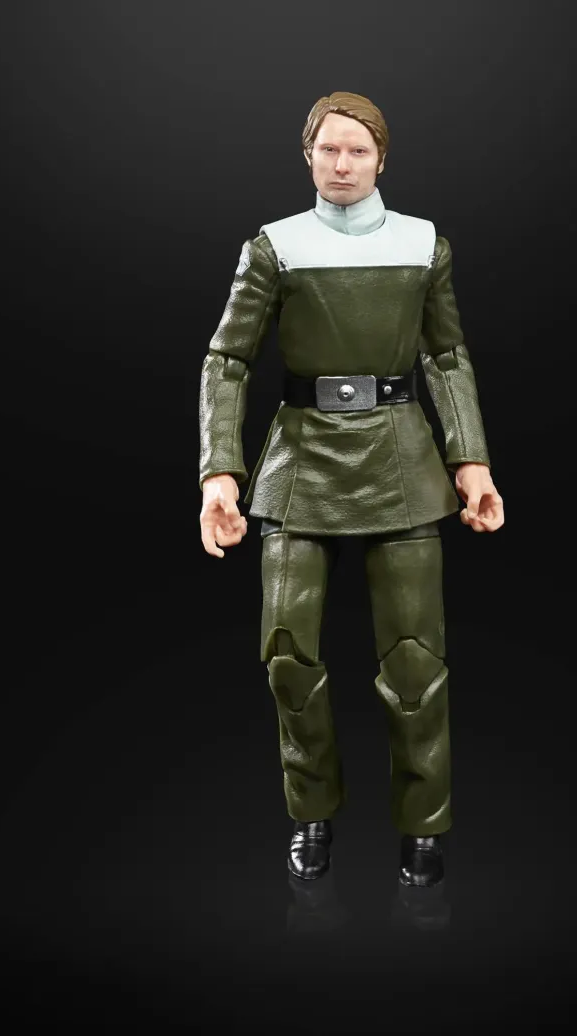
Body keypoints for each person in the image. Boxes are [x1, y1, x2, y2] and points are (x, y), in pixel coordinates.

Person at [198, 91, 504, 887]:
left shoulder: (422, 243)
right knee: (288, 654)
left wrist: (471, 461)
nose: (342, 164)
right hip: (300, 463)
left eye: (358, 150)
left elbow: (445, 356)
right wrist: (219, 471)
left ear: (381, 158)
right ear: (309, 155)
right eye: (329, 149)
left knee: (415, 661)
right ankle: (311, 813)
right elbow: (228, 359)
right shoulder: (275, 246)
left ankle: (423, 825)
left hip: (401, 459)